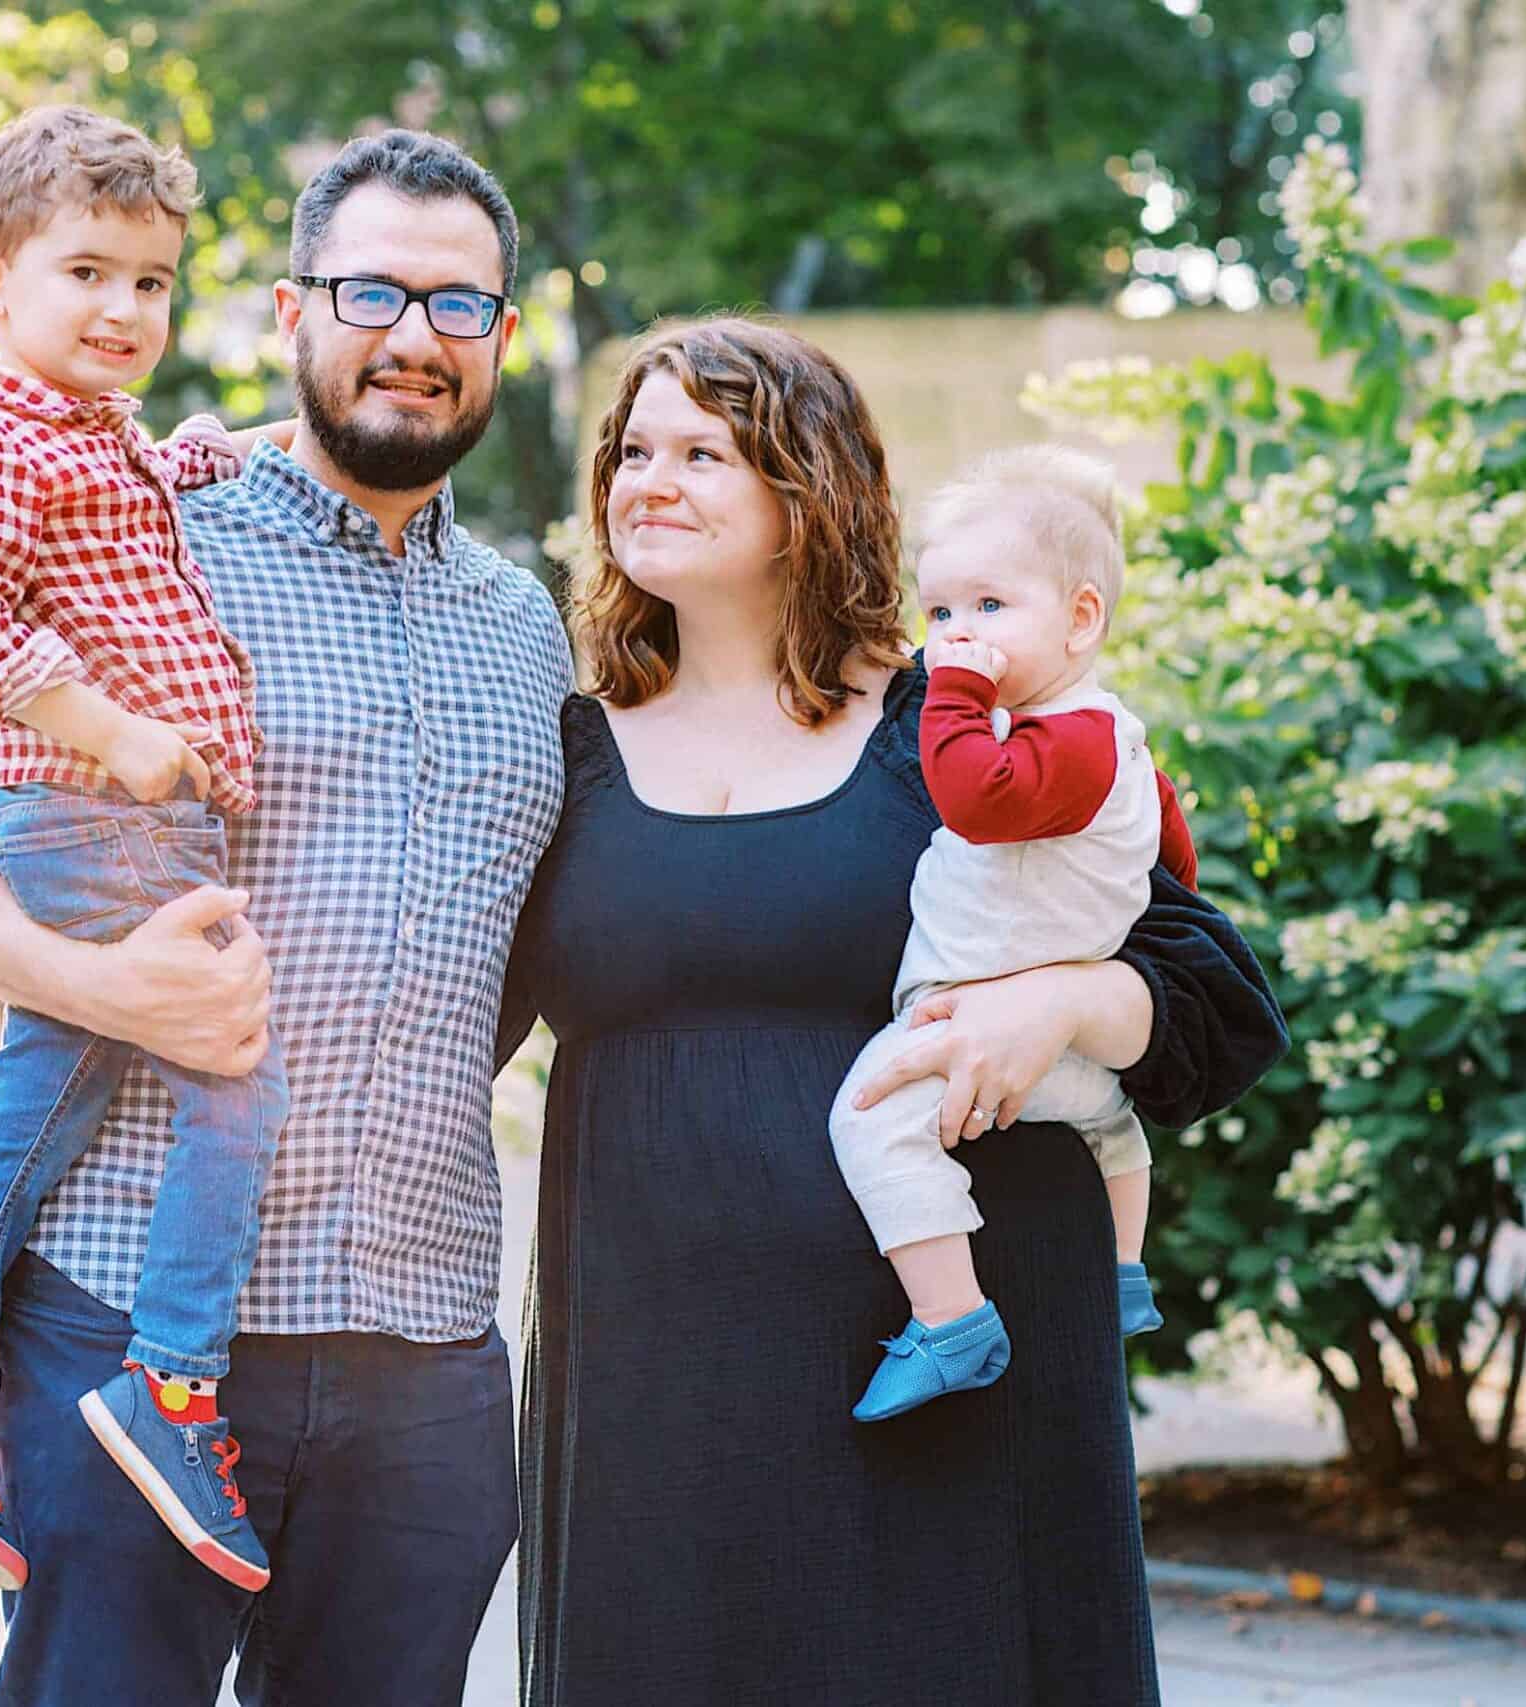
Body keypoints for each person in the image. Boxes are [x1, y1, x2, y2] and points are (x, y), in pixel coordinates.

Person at [0, 130, 570, 1705]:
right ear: (286, 311)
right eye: (371, 289)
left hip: (426, 1341)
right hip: (127, 1334)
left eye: (459, 306)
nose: (412, 336)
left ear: (503, 339)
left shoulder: (530, 630)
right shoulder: (141, 528)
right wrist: (103, 987)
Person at [503, 317, 1286, 1706]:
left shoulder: (959, 731)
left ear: (807, 484)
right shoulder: (559, 747)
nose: (649, 479)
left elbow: (1213, 991)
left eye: (703, 450)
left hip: (945, 1364)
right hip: (652, 1377)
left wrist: (1063, 998)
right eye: (633, 450)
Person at [0, 105, 297, 1596]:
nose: (125, 309)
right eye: (88, 272)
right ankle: (167, 1384)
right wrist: (116, 735)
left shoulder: (85, 435)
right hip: (97, 815)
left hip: (118, 818)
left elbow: (123, 534)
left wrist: (218, 458)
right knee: (231, 1070)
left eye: (152, 282)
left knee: (47, 1093)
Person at [826, 445, 1197, 1423]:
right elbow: (1173, 856)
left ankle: (950, 1321)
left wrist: (950, 698)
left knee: (870, 1118)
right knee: (1108, 1121)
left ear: (1081, 618)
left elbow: (978, 802)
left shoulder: (1063, 737)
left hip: (978, 1023)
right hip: (1062, 1050)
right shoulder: (1109, 734)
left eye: (990, 608)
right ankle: (1122, 1273)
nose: (954, 635)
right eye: (939, 612)